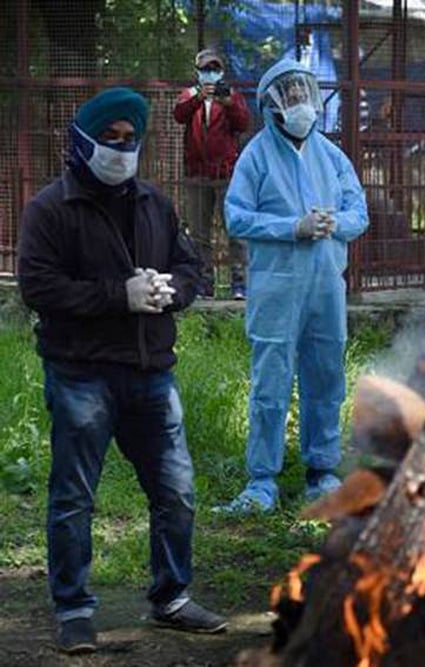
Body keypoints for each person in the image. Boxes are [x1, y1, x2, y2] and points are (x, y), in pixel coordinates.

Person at [16, 87, 227, 655]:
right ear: (82, 142)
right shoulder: (50, 209)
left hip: (151, 371)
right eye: (108, 139)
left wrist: (170, 290)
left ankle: (171, 597)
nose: (120, 148)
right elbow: (39, 287)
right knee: (73, 498)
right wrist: (119, 295)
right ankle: (74, 609)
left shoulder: (155, 203)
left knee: (176, 491)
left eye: (130, 139)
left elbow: (191, 267)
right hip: (80, 373)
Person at [219, 60, 370, 514]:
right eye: (290, 94)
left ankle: (321, 471)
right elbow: (236, 217)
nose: (301, 101)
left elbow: (359, 212)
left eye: (304, 91)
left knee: (326, 376)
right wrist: (292, 227)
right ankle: (261, 479)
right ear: (271, 104)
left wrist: (334, 223)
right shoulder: (256, 156)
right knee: (271, 381)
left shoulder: (332, 155)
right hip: (277, 289)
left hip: (326, 287)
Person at [173, 48, 251, 299]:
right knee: (198, 233)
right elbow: (179, 115)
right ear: (197, 71)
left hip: (226, 173)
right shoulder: (189, 95)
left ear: (222, 71)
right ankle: (203, 283)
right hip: (197, 173)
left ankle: (240, 283)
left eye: (214, 69)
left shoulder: (231, 95)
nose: (210, 74)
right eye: (205, 69)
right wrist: (198, 98)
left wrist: (228, 104)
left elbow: (243, 123)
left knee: (234, 229)